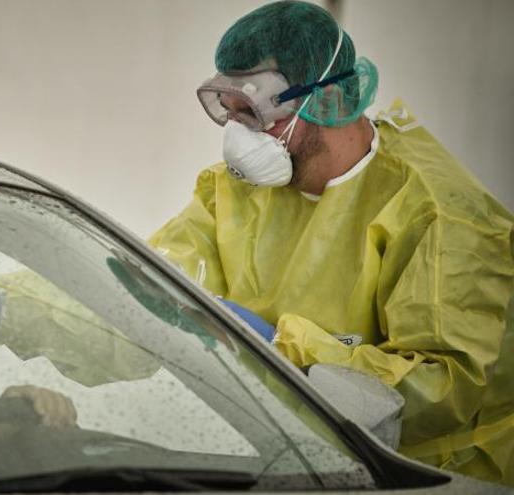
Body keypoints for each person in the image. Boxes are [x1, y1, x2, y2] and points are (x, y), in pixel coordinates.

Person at [148, 0, 513, 485]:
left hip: (427, 474)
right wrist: (28, 311)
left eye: (257, 115)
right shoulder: (233, 193)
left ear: (332, 101)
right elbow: (145, 290)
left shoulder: (437, 210)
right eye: (230, 114)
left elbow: (444, 390)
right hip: (302, 460)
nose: (239, 139)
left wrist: (281, 348)